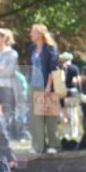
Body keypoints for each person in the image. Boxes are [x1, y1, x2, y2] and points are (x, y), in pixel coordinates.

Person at [27, 23, 59, 154]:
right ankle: (38, 146)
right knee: (36, 118)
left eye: (32, 32)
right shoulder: (31, 48)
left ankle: (54, 145)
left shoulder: (50, 48)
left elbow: (53, 68)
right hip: (34, 85)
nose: (30, 34)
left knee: (50, 116)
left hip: (47, 86)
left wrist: (48, 86)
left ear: (39, 34)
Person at [59, 52, 81, 138]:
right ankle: (74, 132)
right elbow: (77, 80)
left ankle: (65, 132)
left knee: (63, 113)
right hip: (72, 92)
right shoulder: (74, 68)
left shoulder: (60, 68)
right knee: (73, 112)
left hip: (62, 92)